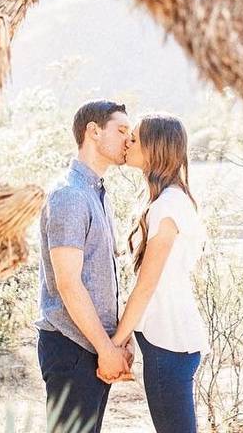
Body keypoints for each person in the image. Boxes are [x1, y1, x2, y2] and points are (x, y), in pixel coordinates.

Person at [102, 113, 210, 433]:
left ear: (154, 148)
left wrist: (115, 345)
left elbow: (147, 286)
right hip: (168, 341)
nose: (128, 143)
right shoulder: (169, 200)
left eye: (134, 138)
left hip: (169, 343)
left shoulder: (168, 206)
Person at [36, 100, 135, 433]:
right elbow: (68, 283)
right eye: (121, 130)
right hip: (72, 348)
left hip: (92, 348)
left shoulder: (97, 194)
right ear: (93, 131)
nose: (129, 140)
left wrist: (117, 340)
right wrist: (106, 348)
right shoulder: (71, 196)